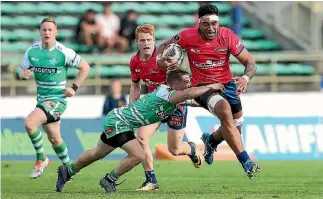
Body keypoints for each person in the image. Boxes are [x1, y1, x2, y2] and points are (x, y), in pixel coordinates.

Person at [56, 70, 223, 194]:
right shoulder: (166, 92)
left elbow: (194, 100)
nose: (189, 84)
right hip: (120, 122)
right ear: (175, 84)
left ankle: (68, 171)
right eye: (186, 81)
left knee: (97, 153)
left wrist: (218, 102)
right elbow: (188, 93)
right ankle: (109, 180)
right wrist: (212, 86)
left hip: (118, 120)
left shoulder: (174, 95)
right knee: (139, 155)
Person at [156, 4, 260, 179]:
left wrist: (245, 78)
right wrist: (161, 61)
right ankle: (246, 162)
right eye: (206, 24)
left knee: (235, 128)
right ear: (199, 23)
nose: (211, 28)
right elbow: (163, 45)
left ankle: (211, 140)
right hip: (203, 87)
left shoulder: (227, 35)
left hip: (228, 85)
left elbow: (251, 63)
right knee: (224, 109)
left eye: (214, 23)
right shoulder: (187, 36)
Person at [129, 24, 201, 191]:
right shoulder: (134, 61)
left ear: (154, 41)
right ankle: (151, 180)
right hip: (155, 104)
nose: (146, 43)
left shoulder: (165, 56)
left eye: (149, 40)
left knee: (174, 150)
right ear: (136, 42)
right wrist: (132, 108)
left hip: (175, 104)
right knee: (141, 139)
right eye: (142, 40)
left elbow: (183, 76)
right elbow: (135, 86)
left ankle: (190, 149)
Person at [21, 18, 91, 179]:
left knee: (30, 123)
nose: (47, 32)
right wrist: (23, 74)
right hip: (42, 100)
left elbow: (85, 67)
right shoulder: (31, 51)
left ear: (56, 32)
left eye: (50, 30)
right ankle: (69, 169)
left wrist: (73, 88)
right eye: (44, 29)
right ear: (39, 31)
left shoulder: (63, 52)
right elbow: (23, 70)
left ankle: (41, 159)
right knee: (54, 137)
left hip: (57, 100)